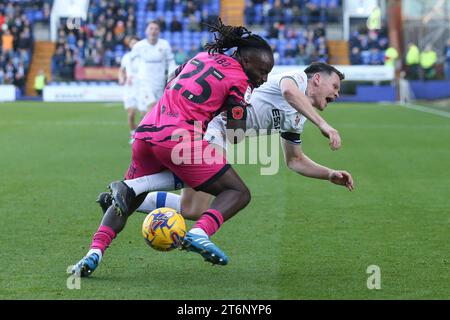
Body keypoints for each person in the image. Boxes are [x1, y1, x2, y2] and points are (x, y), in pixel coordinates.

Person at [71, 19, 275, 277]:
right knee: (238, 192)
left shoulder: (202, 57)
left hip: (147, 132)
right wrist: (237, 111)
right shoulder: (240, 79)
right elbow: (235, 134)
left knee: (127, 202)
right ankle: (200, 232)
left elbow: (172, 78)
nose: (264, 78)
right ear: (246, 62)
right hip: (180, 138)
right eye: (263, 70)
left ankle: (93, 253)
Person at [98, 62, 354, 223]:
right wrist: (324, 124)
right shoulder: (296, 78)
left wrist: (328, 173)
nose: (337, 94)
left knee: (192, 209)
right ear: (317, 79)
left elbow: (295, 160)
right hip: (212, 123)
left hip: (223, 135)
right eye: (335, 86)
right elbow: (288, 92)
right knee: (216, 184)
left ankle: (130, 198)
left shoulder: (298, 118)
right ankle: (131, 188)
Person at [132, 21, 176, 115]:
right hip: (144, 82)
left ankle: (146, 127)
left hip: (159, 82)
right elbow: (131, 61)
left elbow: (171, 62)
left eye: (156, 29)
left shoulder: (164, 45)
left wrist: (171, 76)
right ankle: (150, 129)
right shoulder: (139, 46)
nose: (153, 31)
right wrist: (133, 74)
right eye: (151, 29)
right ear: (146, 31)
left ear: (159, 31)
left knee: (157, 109)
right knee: (151, 105)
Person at [118, 36, 140, 143]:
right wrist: (121, 78)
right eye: (132, 43)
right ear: (129, 45)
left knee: (144, 114)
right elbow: (122, 70)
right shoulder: (126, 57)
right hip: (129, 88)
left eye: (136, 43)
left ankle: (140, 135)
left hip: (141, 88)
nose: (134, 45)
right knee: (131, 114)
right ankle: (133, 133)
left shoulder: (143, 57)